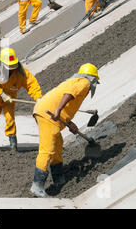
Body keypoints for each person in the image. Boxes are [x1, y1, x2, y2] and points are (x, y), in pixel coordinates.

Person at [31, 63, 100, 197]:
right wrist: (58, 109)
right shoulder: (85, 82)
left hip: (46, 111)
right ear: (93, 79)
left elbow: (67, 101)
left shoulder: (74, 82)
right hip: (49, 114)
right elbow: (69, 94)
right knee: (47, 148)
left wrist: (69, 123)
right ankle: (37, 185)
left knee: (57, 145)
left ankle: (58, 178)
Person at [0, 48, 42, 152]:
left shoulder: (21, 73)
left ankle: (13, 146)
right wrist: (2, 94)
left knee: (10, 121)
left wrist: (38, 97)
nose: (11, 69)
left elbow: (31, 84)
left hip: (9, 100)